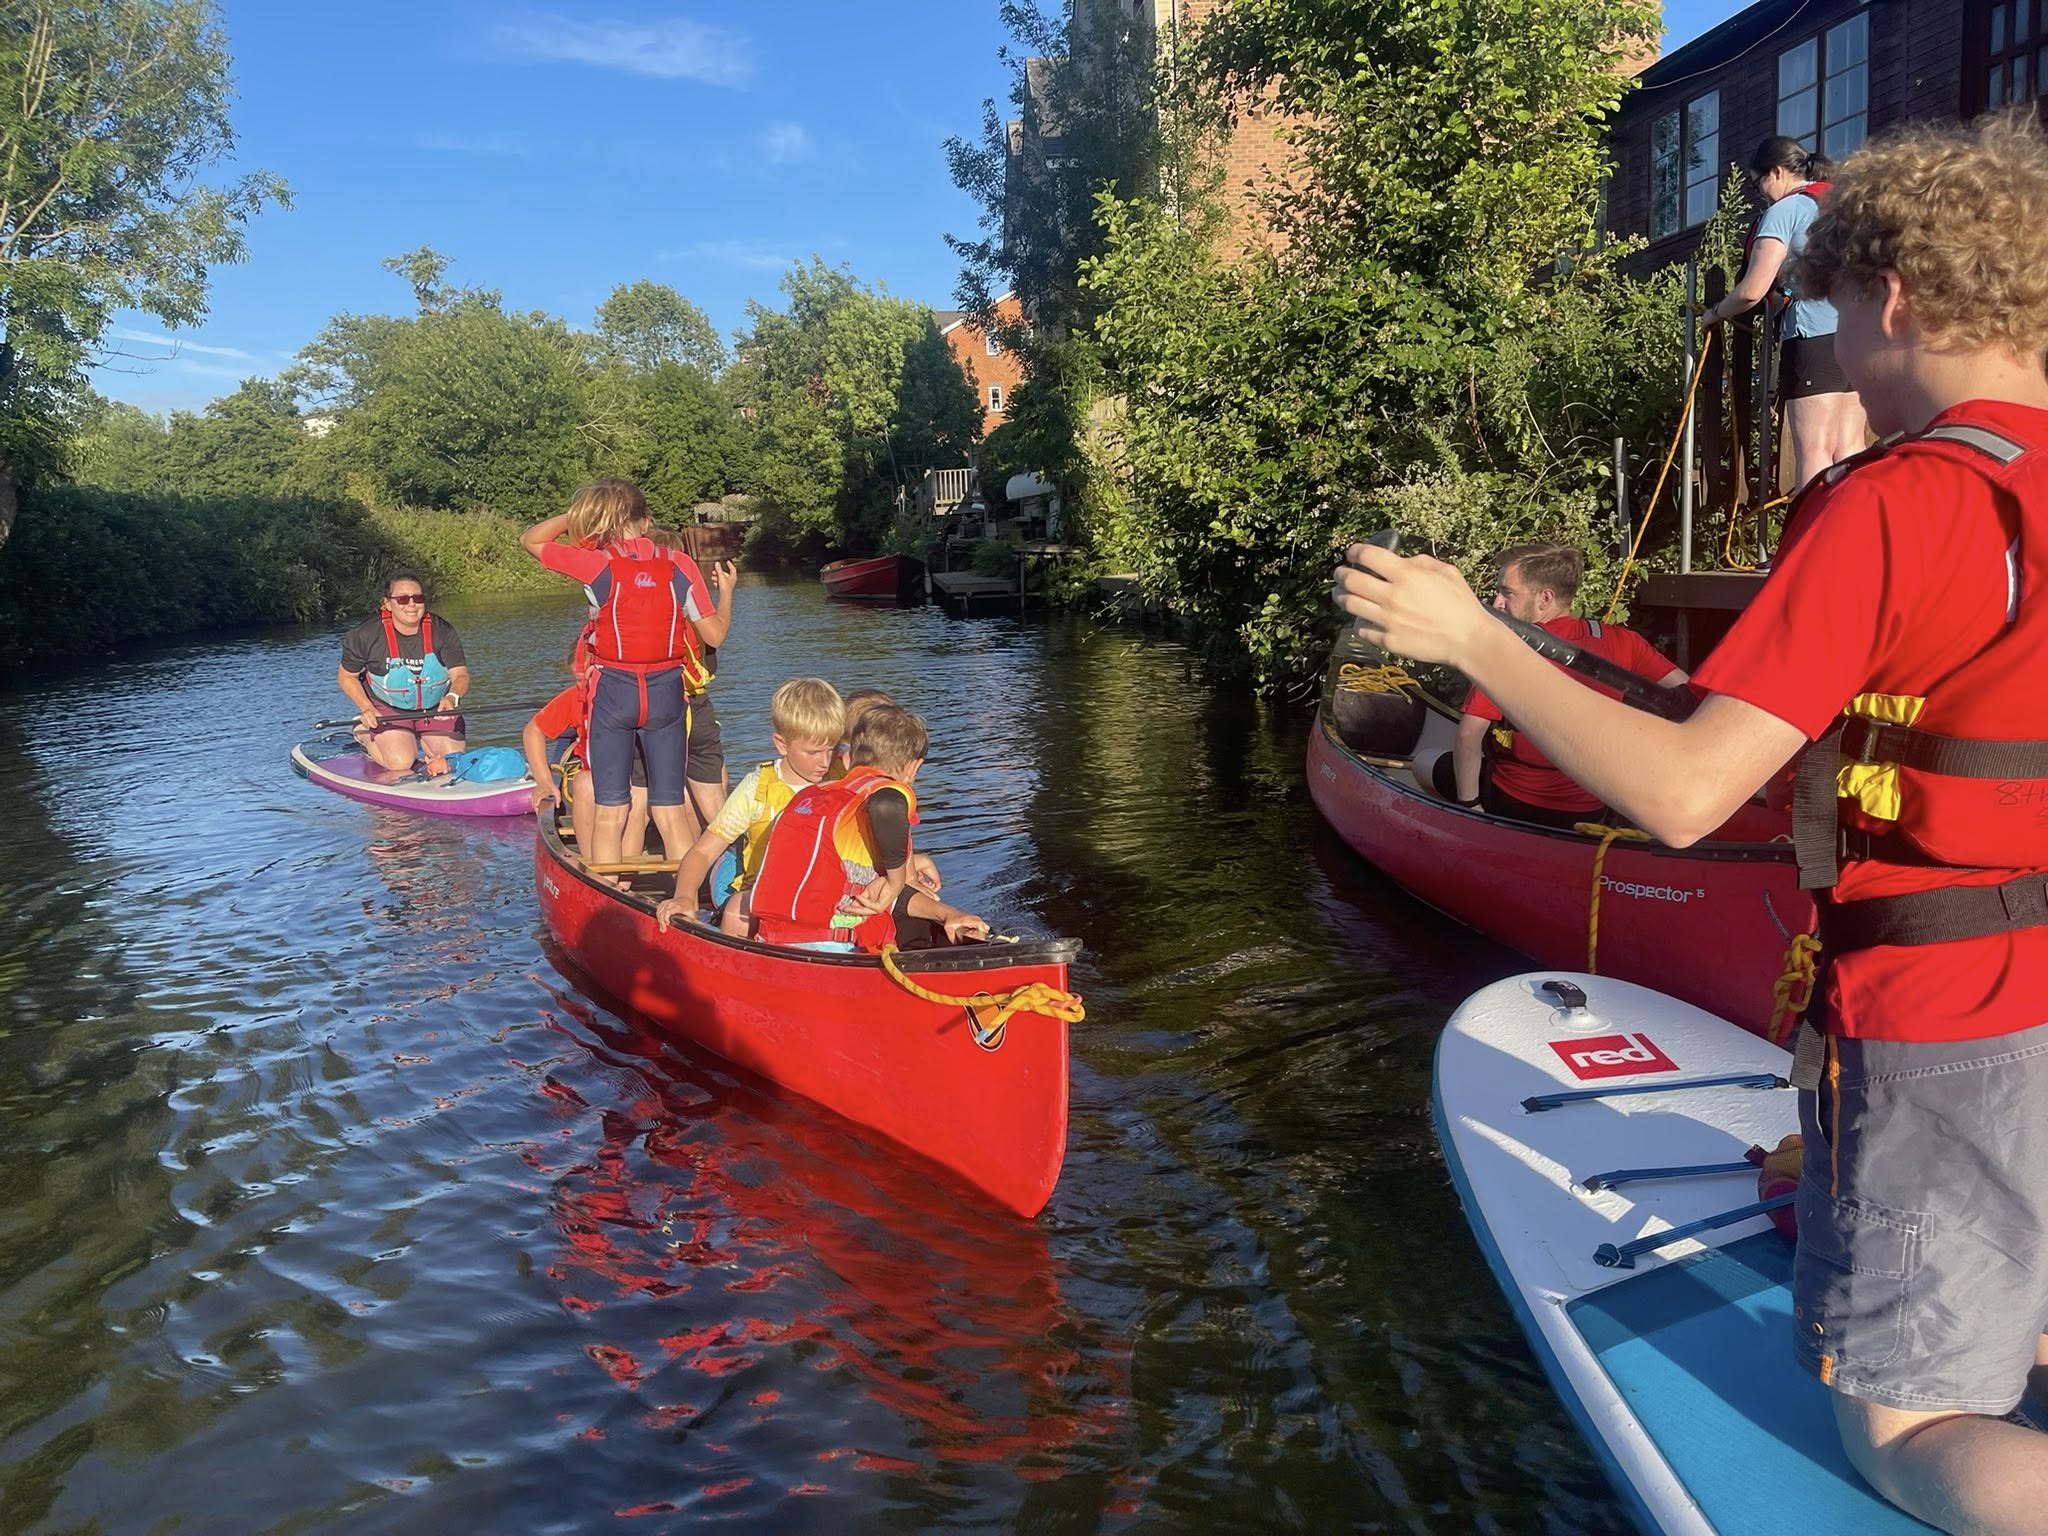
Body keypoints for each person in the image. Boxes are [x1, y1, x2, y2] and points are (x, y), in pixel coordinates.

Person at [1335, 116, 2048, 1533]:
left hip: (1941, 1012)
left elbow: (1680, 796)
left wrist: (1472, 636)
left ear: (1892, 297)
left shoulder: (1902, 503)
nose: (1841, 352)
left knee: (1906, 1424)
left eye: (1838, 316)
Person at [519, 481, 733, 869]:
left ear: (607, 520)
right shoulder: (680, 564)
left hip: (615, 694)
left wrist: (577, 518)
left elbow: (531, 540)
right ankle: (686, 903)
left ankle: (608, 893)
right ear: (646, 521)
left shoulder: (597, 563)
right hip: (668, 694)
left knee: (611, 812)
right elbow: (715, 633)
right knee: (669, 811)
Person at [1423, 543, 1686, 829]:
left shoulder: (1505, 650)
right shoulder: (1626, 641)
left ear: (1544, 599)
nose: (1498, 602)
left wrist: (1470, 806)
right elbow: (1689, 692)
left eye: (1507, 593)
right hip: (1593, 807)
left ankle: (1468, 831)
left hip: (1517, 802)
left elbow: (1467, 738)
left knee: (1424, 763)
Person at [1701, 136, 1869, 493]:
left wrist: (1714, 313)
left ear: (1776, 173)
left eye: (1757, 181)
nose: (1759, 190)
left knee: (1815, 450)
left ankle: (1816, 542)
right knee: (1851, 447)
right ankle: (1854, 540)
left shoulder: (1785, 211)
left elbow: (1751, 290)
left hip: (1812, 336)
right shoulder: (1840, 205)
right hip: (1858, 334)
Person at [748, 704, 988, 951]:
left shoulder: (814, 795)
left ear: (848, 758)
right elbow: (886, 805)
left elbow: (876, 893)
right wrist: (896, 880)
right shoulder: (886, 790)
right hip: (834, 948)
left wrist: (948, 914)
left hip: (772, 940)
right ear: (913, 767)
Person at [652, 677, 846, 935]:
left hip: (822, 888)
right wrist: (686, 896)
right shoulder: (757, 788)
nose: (824, 762)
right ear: (781, 744)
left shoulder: (843, 776)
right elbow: (702, 853)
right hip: (762, 890)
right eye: (812, 753)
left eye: (831, 750)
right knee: (736, 911)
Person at [519, 635, 649, 857]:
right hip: (594, 778)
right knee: (583, 784)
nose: (581, 687)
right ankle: (592, 869)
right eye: (577, 680)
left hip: (636, 777)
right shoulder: (576, 697)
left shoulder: (634, 693)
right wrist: (544, 781)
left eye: (586, 679)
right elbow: (533, 731)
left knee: (639, 798)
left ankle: (622, 880)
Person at [336, 571, 471, 771]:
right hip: (387, 710)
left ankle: (427, 740)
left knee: (452, 759)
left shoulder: (443, 631)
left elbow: (461, 675)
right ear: (388, 604)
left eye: (418, 598)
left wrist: (452, 697)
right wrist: (366, 707)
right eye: (402, 599)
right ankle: (364, 732)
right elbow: (347, 676)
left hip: (436, 710)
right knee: (400, 763)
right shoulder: (365, 635)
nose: (411, 605)